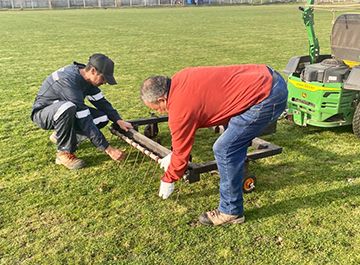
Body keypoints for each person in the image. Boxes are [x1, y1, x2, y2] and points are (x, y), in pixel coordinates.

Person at [140, 64, 288, 226]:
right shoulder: (181, 77)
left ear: (162, 99)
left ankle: (231, 212)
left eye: (157, 108)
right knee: (231, 140)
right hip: (265, 76)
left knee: (225, 149)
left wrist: (169, 179)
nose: (161, 112)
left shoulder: (179, 109)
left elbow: (182, 153)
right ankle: (230, 170)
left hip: (267, 96)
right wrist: (172, 155)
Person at [31, 53, 133, 170]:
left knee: (102, 118)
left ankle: (60, 136)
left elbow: (101, 103)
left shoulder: (87, 79)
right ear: (93, 70)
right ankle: (63, 153)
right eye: (103, 78)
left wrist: (118, 120)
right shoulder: (69, 81)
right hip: (43, 114)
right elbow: (85, 120)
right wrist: (109, 150)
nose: (104, 82)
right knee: (69, 107)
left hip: (63, 111)